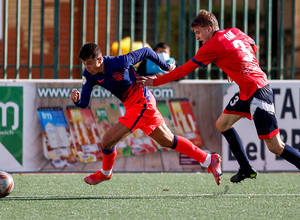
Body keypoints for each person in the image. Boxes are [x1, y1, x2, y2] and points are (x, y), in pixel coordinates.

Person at [137, 9, 300, 183]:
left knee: (275, 147)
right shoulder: (235, 31)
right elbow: (252, 45)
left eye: (198, 33)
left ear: (209, 28)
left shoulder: (212, 46)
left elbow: (184, 69)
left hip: (258, 93)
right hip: (248, 91)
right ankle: (245, 168)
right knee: (222, 124)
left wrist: (154, 82)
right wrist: (236, 66)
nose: (197, 37)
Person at [70, 42, 222, 186]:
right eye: (84, 63)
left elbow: (147, 52)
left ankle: (105, 173)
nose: (87, 67)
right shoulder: (89, 74)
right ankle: (209, 159)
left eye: (89, 63)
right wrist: (77, 101)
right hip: (135, 105)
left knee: (107, 141)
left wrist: (166, 66)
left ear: (100, 59)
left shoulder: (119, 62)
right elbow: (84, 102)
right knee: (167, 141)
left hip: (142, 102)